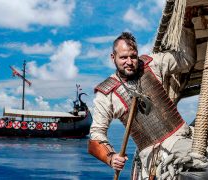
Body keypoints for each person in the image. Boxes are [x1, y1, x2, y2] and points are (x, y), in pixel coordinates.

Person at [88, 32, 207, 179]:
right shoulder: (107, 94)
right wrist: (110, 157)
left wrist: (187, 25)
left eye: (133, 56)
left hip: (185, 134)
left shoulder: (152, 64)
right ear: (113, 58)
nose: (129, 62)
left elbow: (186, 59)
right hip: (156, 153)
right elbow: (96, 135)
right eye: (123, 57)